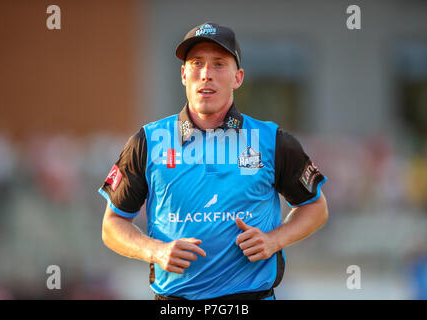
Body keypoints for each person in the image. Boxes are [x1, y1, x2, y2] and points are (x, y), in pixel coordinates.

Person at [98, 22, 329, 300]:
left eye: (219, 64)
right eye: (196, 63)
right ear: (184, 74)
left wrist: (274, 240)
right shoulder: (148, 141)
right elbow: (112, 225)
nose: (206, 74)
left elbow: (316, 207)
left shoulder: (271, 139)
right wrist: (155, 250)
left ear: (238, 77)